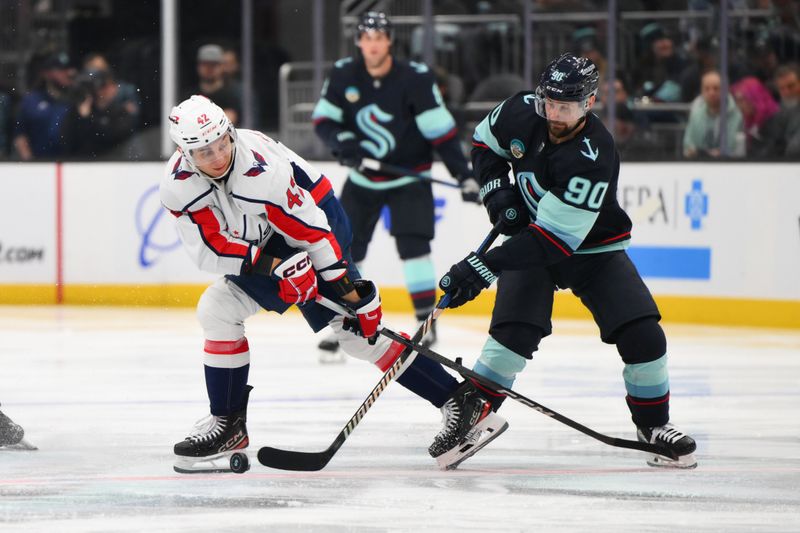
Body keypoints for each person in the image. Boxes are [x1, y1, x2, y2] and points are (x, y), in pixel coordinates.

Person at [161, 95, 461, 473]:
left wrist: (354, 295)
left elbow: (314, 232)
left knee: (355, 332)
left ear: (230, 132)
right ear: (184, 152)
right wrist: (274, 265)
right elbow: (211, 249)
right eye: (205, 152)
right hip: (266, 242)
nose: (219, 156)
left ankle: (457, 400)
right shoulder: (178, 186)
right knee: (217, 309)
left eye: (223, 143)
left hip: (318, 221)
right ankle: (228, 424)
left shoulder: (261, 173)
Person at [427, 53, 697, 471]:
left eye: (565, 107)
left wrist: (483, 266)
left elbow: (552, 242)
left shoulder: (594, 153)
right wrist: (499, 193)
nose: (553, 114)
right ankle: (475, 412)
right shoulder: (520, 110)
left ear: (588, 103)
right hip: (531, 241)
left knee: (643, 336)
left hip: (591, 249)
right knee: (511, 336)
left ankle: (653, 425)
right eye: (548, 102)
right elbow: (484, 143)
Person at [311, 11, 480, 354]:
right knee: (345, 249)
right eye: (367, 38)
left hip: (408, 177)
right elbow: (324, 121)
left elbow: (442, 133)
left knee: (414, 247)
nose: (373, 45)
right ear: (359, 41)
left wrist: (463, 174)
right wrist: (346, 146)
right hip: (364, 179)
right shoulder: (345, 73)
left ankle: (425, 324)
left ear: (389, 41)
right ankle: (344, 318)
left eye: (379, 38)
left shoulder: (415, 78)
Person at [13, 52, 75, 160]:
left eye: (69, 69)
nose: (68, 73)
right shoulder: (31, 101)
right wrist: (29, 161)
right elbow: (20, 134)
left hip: (73, 164)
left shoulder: (76, 99)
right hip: (39, 164)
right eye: (61, 70)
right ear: (46, 73)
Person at [683, 70, 745, 159]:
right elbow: (688, 144)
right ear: (702, 91)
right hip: (700, 165)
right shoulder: (695, 115)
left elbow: (736, 149)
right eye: (707, 89)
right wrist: (693, 151)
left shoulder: (737, 116)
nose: (711, 93)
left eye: (716, 88)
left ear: (725, 90)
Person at [190, 44, 241, 126]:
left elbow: (227, 123)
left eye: (213, 65)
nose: (209, 69)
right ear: (198, 66)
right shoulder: (190, 96)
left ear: (222, 66)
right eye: (205, 64)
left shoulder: (232, 95)